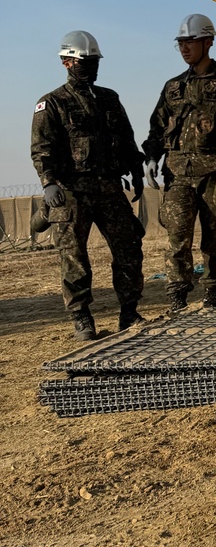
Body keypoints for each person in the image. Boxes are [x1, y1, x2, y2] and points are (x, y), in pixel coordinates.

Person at [30, 31, 145, 341]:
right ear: (67, 62)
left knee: (130, 248)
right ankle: (82, 318)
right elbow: (42, 148)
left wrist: (136, 169)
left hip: (109, 188)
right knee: (74, 257)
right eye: (85, 62)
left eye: (94, 62)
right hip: (71, 193)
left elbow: (126, 139)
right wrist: (49, 183)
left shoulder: (110, 98)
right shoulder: (51, 103)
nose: (91, 67)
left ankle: (129, 312)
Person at [143, 14, 216, 314]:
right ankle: (178, 297)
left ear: (208, 42)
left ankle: (211, 295)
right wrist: (152, 158)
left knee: (215, 239)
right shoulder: (173, 87)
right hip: (178, 174)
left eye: (190, 42)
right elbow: (157, 128)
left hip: (215, 172)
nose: (185, 49)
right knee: (177, 238)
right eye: (181, 43)